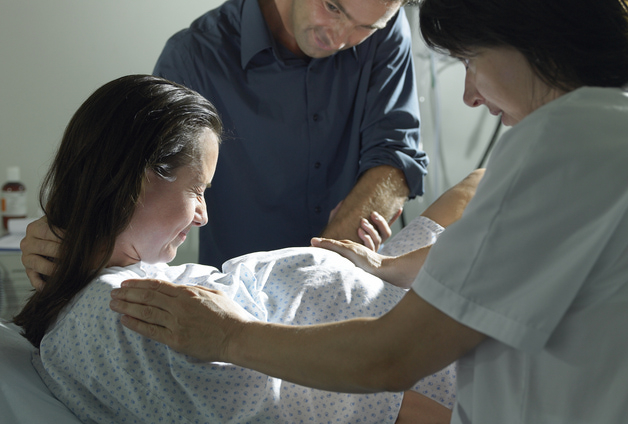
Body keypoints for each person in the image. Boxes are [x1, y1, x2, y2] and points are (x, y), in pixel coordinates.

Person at [108, 0, 628, 422]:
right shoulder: (197, 53)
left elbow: (393, 355)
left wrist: (230, 333)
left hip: (354, 307)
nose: (470, 97)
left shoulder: (561, 141)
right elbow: (506, 241)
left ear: (535, 40)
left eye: (473, 60)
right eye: (333, 7)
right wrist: (74, 230)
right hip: (279, 287)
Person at [13, 74, 473, 423]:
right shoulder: (124, 315)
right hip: (429, 325)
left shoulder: (104, 282)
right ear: (135, 177)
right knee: (507, 185)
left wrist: (385, 265)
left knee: (488, 181)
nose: (203, 216)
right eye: (198, 189)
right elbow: (376, 405)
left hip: (393, 278)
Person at [153, 0, 429, 267]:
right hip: (233, 295)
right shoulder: (192, 59)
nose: (339, 37)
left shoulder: (387, 32)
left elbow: (396, 157)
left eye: (364, 27)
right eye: (332, 7)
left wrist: (318, 272)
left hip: (345, 285)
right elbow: (152, 195)